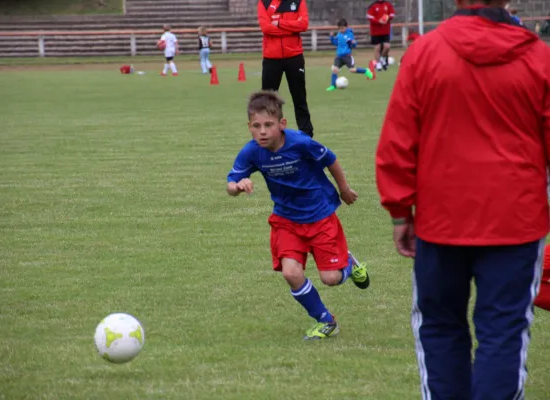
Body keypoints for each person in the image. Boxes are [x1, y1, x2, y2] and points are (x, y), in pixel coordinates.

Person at [375, 0, 550, 398]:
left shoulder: (424, 53)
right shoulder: (540, 58)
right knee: (503, 331)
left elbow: (398, 141)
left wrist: (400, 212)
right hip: (515, 220)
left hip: (442, 220)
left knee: (440, 326)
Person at [226, 91, 370, 340]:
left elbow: (331, 160)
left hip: (320, 216)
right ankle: (326, 321)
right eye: (256, 126)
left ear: (282, 125)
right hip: (286, 221)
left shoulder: (301, 143)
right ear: (249, 127)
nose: (262, 132)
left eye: (268, 125)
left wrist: (344, 189)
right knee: (291, 273)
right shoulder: (251, 152)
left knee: (331, 279)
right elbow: (230, 183)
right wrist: (238, 187)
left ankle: (349, 263)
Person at [257, 0, 314, 137]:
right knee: (268, 100)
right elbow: (266, 28)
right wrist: (291, 29)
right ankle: (267, 133)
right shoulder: (264, 3)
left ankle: (306, 134)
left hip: (294, 56)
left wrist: (280, 23)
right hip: (272, 57)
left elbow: (303, 25)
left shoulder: (299, 2)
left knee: (299, 97)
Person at [326, 18, 374, 91]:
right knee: (335, 70)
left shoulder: (349, 34)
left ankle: (365, 71)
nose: (341, 30)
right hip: (339, 56)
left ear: (346, 27)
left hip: (347, 56)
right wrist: (332, 37)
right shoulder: (339, 35)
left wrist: (353, 43)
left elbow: (353, 44)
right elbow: (336, 43)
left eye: (343, 28)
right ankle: (333, 86)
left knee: (352, 70)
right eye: (340, 28)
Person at [366, 0, 395, 71]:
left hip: (385, 30)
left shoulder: (388, 5)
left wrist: (386, 18)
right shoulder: (373, 6)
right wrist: (378, 21)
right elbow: (369, 16)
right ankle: (378, 63)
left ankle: (382, 58)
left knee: (387, 46)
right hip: (375, 31)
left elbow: (392, 14)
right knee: (377, 48)